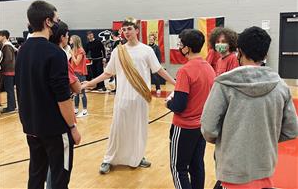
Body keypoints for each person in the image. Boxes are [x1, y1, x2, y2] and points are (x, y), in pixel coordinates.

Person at [201, 26, 298, 189]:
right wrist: (265, 137)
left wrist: (229, 140)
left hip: (232, 170)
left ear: (239, 51)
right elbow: (291, 130)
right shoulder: (281, 86)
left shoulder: (223, 84)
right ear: (265, 54)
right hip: (265, 167)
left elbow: (208, 128)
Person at [82, 17, 176, 174]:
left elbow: (159, 70)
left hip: (140, 98)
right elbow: (108, 72)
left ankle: (137, 157)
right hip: (122, 98)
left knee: (138, 129)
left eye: (129, 29)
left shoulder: (147, 50)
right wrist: (90, 82)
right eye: (123, 30)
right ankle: (109, 159)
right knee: (118, 128)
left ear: (137, 30)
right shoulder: (118, 51)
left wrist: (175, 83)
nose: (126, 32)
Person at [15, 0, 81, 189]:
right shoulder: (55, 53)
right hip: (55, 128)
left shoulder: (22, 51)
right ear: (48, 22)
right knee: (60, 177)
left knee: (36, 174)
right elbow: (62, 97)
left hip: (31, 126)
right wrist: (73, 127)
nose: (58, 22)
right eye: (56, 19)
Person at [166, 29, 215, 189]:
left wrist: (168, 103)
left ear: (186, 48)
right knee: (197, 166)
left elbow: (179, 106)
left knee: (178, 168)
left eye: (180, 44)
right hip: (201, 126)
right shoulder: (208, 67)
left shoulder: (185, 70)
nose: (179, 47)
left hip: (184, 127)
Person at [46, 21, 81, 189]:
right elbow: (75, 87)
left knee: (46, 164)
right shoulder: (58, 56)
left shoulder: (29, 51)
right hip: (59, 120)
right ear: (62, 37)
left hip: (37, 119)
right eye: (67, 36)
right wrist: (73, 126)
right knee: (60, 168)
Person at [0, 30, 17, 114]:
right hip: (9, 71)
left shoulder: (7, 46)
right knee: (10, 90)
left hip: (8, 71)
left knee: (9, 90)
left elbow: (8, 60)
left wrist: (1, 66)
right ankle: (12, 106)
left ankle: (11, 107)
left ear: (4, 36)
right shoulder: (7, 45)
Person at [70, 35, 88, 117]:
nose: (69, 41)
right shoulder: (73, 50)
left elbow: (77, 62)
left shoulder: (80, 50)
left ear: (75, 41)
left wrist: (72, 54)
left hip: (80, 74)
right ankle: (76, 109)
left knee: (82, 92)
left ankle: (85, 110)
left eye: (71, 39)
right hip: (74, 73)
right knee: (75, 92)